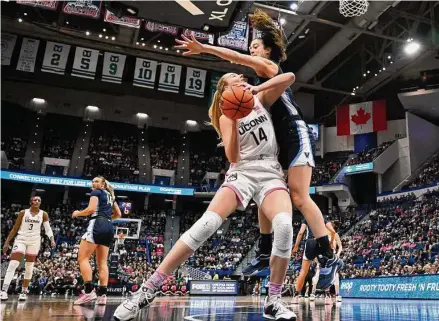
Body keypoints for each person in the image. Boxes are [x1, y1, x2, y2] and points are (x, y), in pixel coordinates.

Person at [114, 72, 298, 321]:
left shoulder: (260, 98)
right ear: (224, 88)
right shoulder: (225, 115)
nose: (241, 75)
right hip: (241, 172)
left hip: (270, 171)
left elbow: (289, 77)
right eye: (235, 76)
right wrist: (233, 119)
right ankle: (148, 289)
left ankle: (273, 301)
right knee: (207, 223)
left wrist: (256, 89)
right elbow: (233, 157)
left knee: (285, 226)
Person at [175, 9, 339, 278]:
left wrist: (204, 47)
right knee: (267, 189)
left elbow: (237, 57)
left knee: (299, 196)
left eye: (255, 47)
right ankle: (264, 251)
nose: (250, 51)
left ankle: (328, 256)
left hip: (294, 131)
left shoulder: (270, 69)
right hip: (279, 140)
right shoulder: (255, 85)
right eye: (250, 47)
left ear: (267, 51)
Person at [71, 176, 121, 305]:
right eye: (93, 181)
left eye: (97, 181)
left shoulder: (96, 192)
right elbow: (118, 214)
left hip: (97, 224)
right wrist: (106, 219)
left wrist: (77, 213)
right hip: (109, 226)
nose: (94, 183)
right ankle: (102, 296)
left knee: (82, 258)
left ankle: (88, 292)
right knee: (102, 262)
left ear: (103, 184)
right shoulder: (111, 195)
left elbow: (91, 209)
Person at [1, 196, 55, 301]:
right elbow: (15, 228)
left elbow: (48, 229)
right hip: (21, 239)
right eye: (35, 200)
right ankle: (3, 290)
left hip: (34, 241)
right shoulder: (23, 212)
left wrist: (52, 239)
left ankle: (24, 291)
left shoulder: (43, 214)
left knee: (29, 266)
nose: (37, 201)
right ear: (30, 202)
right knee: (13, 264)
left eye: (39, 200)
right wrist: (7, 242)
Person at [292, 220, 343, 303]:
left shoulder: (306, 220)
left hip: (311, 243)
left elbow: (300, 233)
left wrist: (296, 246)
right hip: (323, 246)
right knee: (326, 273)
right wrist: (330, 243)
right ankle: (325, 294)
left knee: (304, 271)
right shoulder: (323, 221)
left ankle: (296, 295)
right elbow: (332, 232)